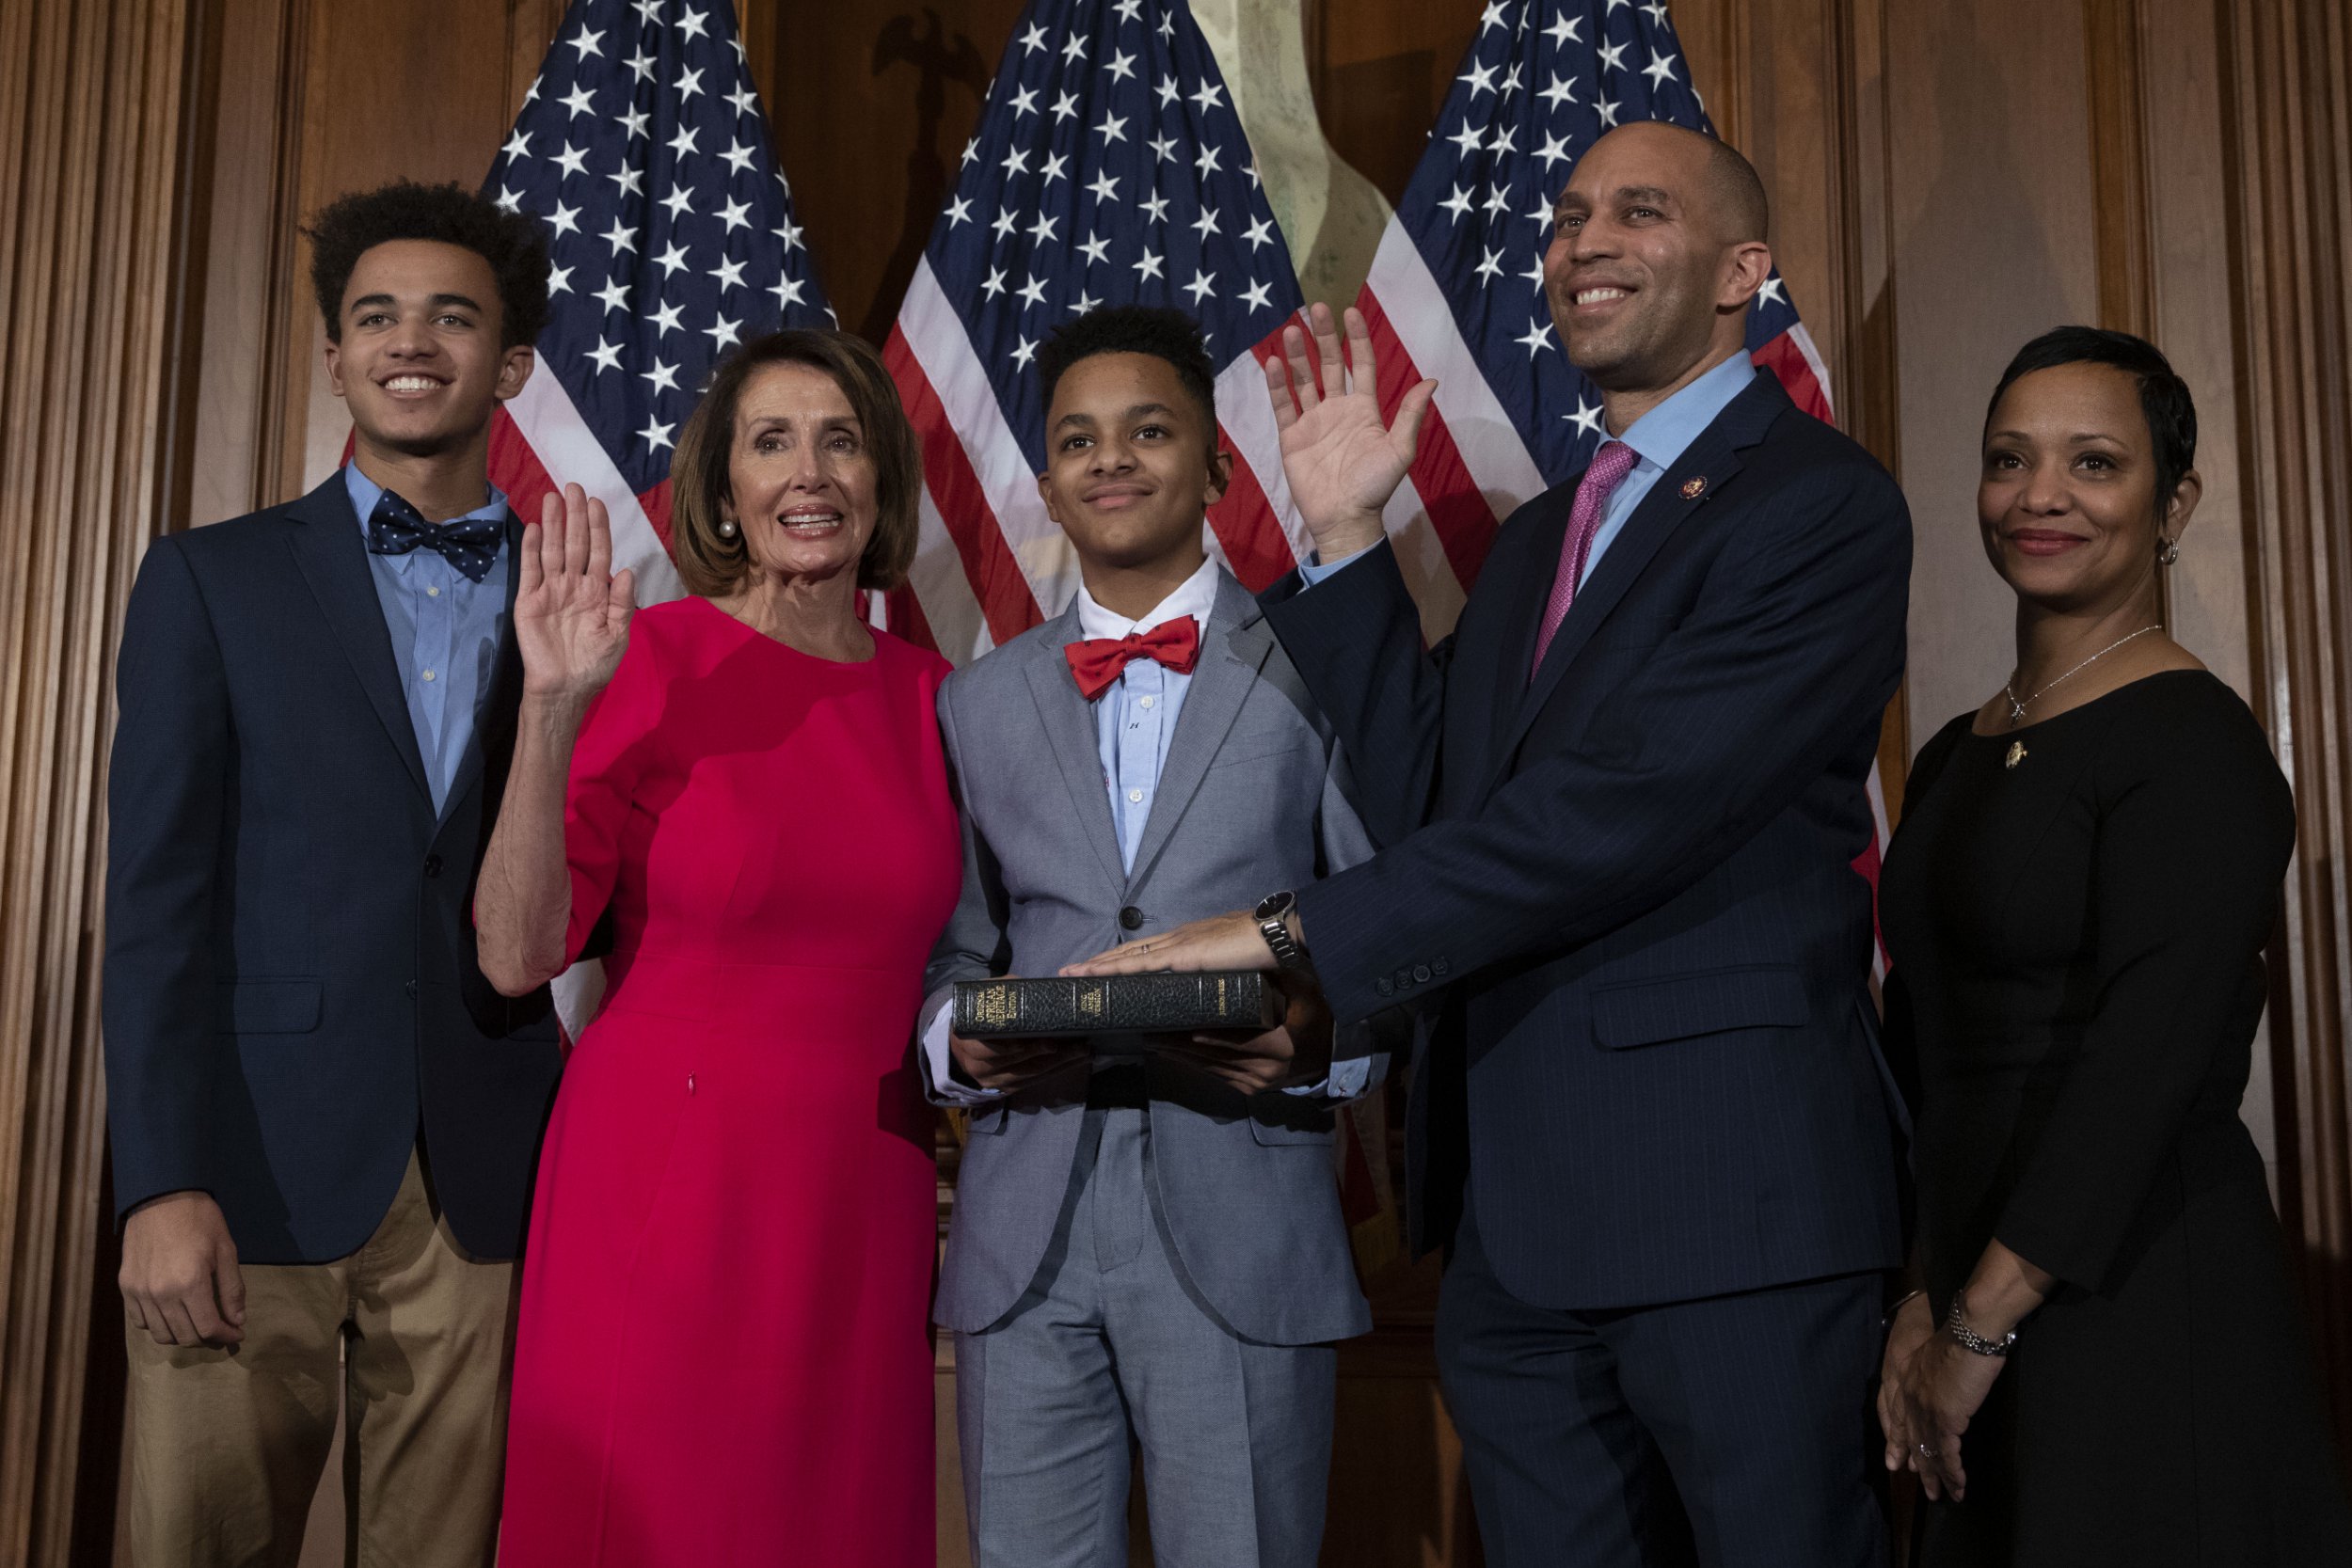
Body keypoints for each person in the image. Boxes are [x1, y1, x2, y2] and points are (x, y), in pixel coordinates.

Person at [1069, 122, 1911, 1565]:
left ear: (1742, 273)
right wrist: (1342, 537)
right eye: (1570, 215)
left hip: (1730, 1224)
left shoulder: (1820, 507)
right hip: (1516, 1236)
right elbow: (1436, 800)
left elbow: (1620, 813)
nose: (1584, 242)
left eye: (1638, 213)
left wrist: (1291, 940)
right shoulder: (1537, 543)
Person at [101, 180, 562, 1566]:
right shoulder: (209, 581)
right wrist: (159, 1183)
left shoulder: (582, 598)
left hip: (488, 1184)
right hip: (247, 1178)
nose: (410, 341)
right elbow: (154, 910)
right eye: (377, 316)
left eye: (451, 318)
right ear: (335, 356)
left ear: (512, 365)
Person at [474, 329, 958, 1567]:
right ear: (727, 490)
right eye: (773, 441)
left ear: (880, 478)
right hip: (666, 1183)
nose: (811, 472)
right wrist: (546, 711)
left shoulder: (936, 696)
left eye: (841, 439)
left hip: (864, 1198)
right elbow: (516, 955)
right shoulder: (647, 663)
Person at [921, 306, 1393, 1568]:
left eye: (1146, 431)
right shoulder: (976, 700)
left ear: (1218, 464)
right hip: (1024, 1235)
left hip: (1245, 1216)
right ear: (1049, 481)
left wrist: (1315, 1044)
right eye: (1078, 440)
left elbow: (1392, 928)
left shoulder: (1316, 669)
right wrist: (954, 1049)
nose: (1110, 460)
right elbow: (957, 951)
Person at [1875, 326, 2352, 1564]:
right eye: (2009, 460)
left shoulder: (2198, 744)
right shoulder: (1948, 758)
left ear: (2172, 499)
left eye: (2094, 463)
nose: (2041, 495)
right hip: (1966, 1275)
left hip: (2133, 1286)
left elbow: (2146, 1062)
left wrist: (1977, 1328)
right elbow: (1920, 1055)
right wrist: (1923, 1295)